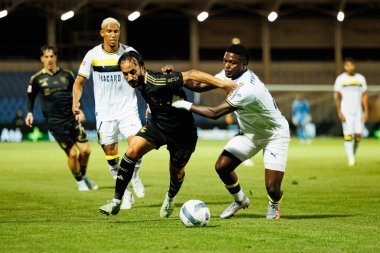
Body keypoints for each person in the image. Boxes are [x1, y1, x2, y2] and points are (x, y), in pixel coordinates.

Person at [98, 50, 235, 217]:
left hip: (182, 133)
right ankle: (116, 201)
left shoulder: (158, 81)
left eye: (132, 72)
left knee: (176, 172)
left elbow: (192, 74)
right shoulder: (141, 82)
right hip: (157, 126)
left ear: (142, 68)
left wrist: (225, 85)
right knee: (131, 150)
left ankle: (170, 197)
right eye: (125, 74)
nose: (129, 78)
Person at [172, 44, 290, 220]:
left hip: (274, 134)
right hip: (249, 133)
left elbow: (214, 113)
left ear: (244, 63)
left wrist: (186, 105)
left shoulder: (248, 88)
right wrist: (173, 78)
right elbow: (197, 84)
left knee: (272, 189)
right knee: (222, 167)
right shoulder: (227, 74)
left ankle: (274, 203)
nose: (227, 65)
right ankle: (240, 200)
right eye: (225, 61)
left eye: (232, 62)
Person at [72, 17, 145, 209]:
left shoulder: (130, 53)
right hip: (104, 114)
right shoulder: (93, 55)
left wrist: (150, 102)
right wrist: (76, 101)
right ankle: (126, 191)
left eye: (116, 31)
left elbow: (144, 79)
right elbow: (78, 83)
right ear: (102, 33)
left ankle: (135, 176)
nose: (113, 35)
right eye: (109, 31)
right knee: (111, 155)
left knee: (136, 147)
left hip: (128, 110)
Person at [25, 45, 97, 191]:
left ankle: (82, 176)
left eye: (52, 56)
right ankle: (80, 181)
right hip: (55, 123)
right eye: (46, 57)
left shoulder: (67, 75)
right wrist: (29, 113)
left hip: (71, 118)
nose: (49, 59)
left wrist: (79, 110)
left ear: (56, 57)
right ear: (41, 59)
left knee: (86, 150)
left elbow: (76, 93)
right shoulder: (37, 79)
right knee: (72, 153)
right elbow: (30, 98)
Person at [334, 57, 368, 166]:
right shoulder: (340, 79)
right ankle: (351, 159)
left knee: (358, 135)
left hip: (358, 112)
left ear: (354, 66)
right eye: (347, 65)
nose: (350, 67)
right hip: (346, 112)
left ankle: (352, 154)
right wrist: (339, 111)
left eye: (351, 65)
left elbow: (364, 96)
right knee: (348, 135)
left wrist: (366, 111)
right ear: (344, 66)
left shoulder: (360, 78)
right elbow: (337, 96)